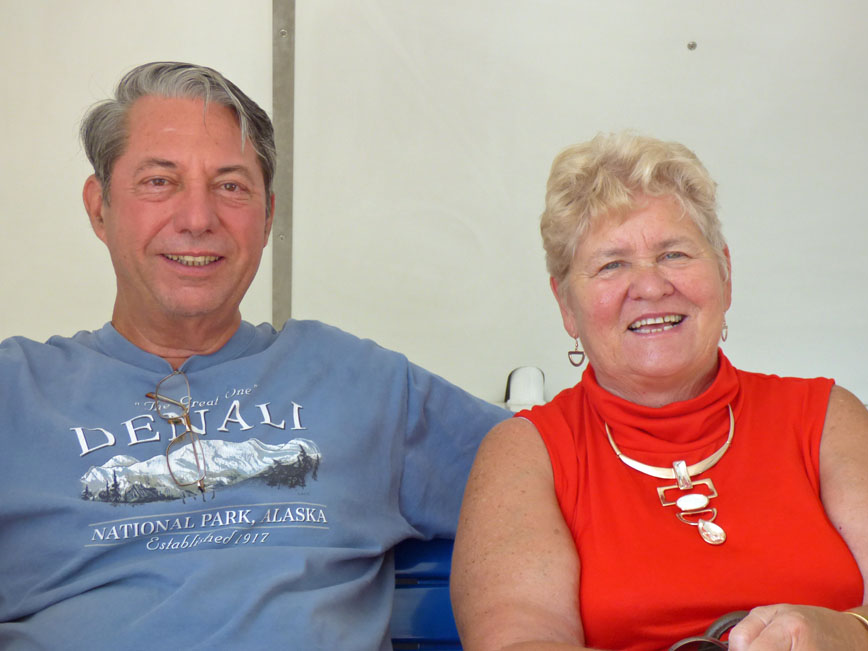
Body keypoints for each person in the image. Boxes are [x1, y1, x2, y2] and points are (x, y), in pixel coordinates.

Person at [0, 61, 509, 650]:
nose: (198, 219)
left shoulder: (363, 384)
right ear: (99, 207)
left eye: (230, 186)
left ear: (267, 216)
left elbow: (564, 475)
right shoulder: (16, 394)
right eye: (160, 181)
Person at [450, 132, 868, 651]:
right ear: (566, 306)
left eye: (674, 254)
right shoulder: (527, 451)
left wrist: (854, 633)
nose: (650, 286)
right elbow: (521, 642)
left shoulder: (826, 417)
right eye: (612, 264)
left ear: (725, 275)